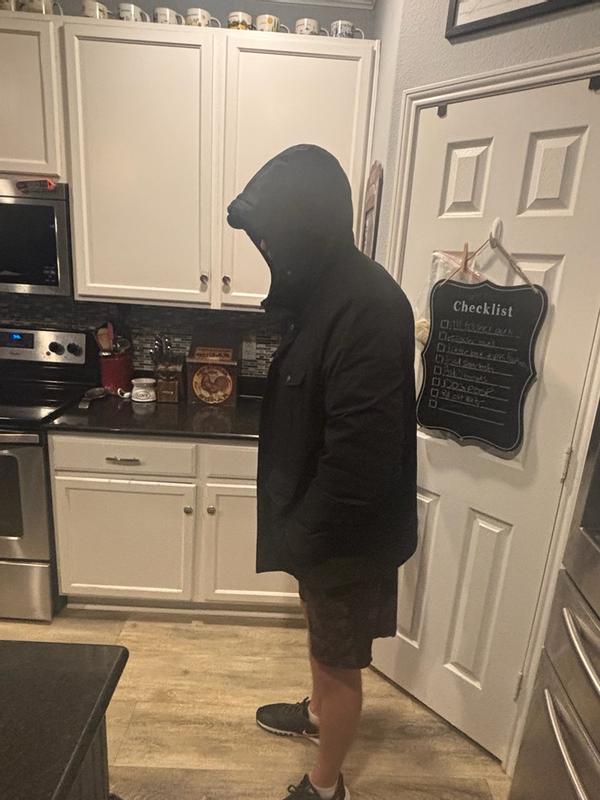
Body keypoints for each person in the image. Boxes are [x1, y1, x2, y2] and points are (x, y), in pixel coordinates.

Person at [227, 145, 418, 800]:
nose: (266, 249)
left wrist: (306, 534)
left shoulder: (366, 306)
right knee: (322, 646)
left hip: (344, 537)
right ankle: (316, 714)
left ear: (307, 225)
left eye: (273, 233)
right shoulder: (327, 291)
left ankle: (325, 784)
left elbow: (361, 458)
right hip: (322, 528)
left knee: (338, 661)